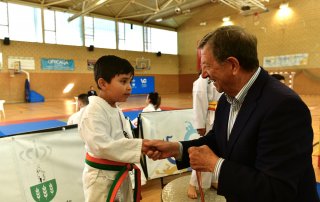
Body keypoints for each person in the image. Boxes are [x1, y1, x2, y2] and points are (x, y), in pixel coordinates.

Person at [142, 26, 319, 202]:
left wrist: (215, 165)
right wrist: (178, 149)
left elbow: (276, 189)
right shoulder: (227, 99)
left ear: (233, 65)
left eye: (207, 66)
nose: (203, 75)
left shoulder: (283, 106)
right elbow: (218, 140)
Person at [79, 55, 148, 202]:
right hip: (101, 179)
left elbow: (124, 138)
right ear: (103, 83)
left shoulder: (114, 108)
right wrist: (142, 146)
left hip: (119, 173)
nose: (129, 87)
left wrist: (141, 146)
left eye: (130, 81)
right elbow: (102, 146)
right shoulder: (92, 112)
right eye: (123, 81)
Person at [188, 71, 222, 199]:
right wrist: (200, 124)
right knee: (205, 151)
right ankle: (192, 184)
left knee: (218, 150)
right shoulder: (200, 83)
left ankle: (213, 179)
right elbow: (198, 104)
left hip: (220, 117)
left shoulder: (219, 78)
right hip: (209, 120)